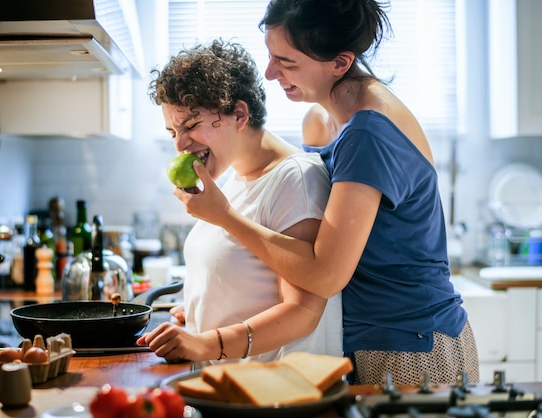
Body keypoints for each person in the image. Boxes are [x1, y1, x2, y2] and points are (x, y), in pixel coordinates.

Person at [171, 0, 479, 385]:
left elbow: (324, 275)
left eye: (287, 62)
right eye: (270, 56)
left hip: (408, 345)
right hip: (364, 341)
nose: (270, 73)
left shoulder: (368, 133)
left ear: (340, 62)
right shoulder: (321, 118)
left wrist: (225, 216)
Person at [137, 39, 343, 365]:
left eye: (191, 125)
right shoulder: (233, 179)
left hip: (275, 395)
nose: (180, 145)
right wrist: (202, 310)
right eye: (172, 132)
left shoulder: (297, 179)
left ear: (240, 114)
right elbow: (247, 283)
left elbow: (302, 312)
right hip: (227, 388)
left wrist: (207, 343)